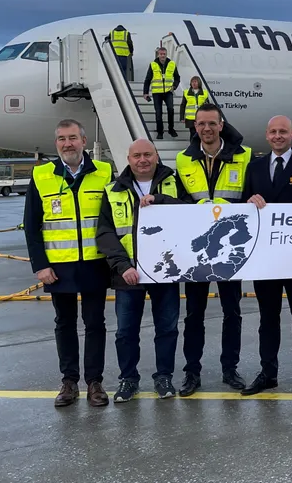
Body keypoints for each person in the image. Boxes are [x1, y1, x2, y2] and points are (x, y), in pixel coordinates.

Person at [23, 118, 114, 407]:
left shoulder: (104, 172)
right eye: (62, 139)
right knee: (64, 323)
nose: (67, 144)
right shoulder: (41, 176)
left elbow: (116, 216)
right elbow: (32, 225)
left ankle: (95, 382)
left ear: (84, 141)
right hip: (58, 267)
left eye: (73, 138)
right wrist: (40, 265)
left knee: (95, 323)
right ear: (56, 143)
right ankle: (69, 382)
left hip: (94, 263)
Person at [96, 139, 187, 402]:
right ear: (129, 158)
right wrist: (123, 266)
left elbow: (191, 214)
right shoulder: (113, 190)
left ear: (157, 156)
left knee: (167, 328)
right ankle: (128, 379)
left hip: (166, 270)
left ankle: (164, 377)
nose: (143, 160)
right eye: (137, 155)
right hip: (128, 274)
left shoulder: (174, 182)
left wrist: (160, 200)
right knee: (126, 331)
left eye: (148, 154)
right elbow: (105, 233)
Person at [240, 115, 292, 396]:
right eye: (273, 132)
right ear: (267, 135)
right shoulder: (255, 167)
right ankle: (268, 372)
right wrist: (250, 201)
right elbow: (244, 207)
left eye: (283, 132)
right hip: (266, 257)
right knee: (268, 318)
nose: (278, 136)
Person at [174, 103, 251, 395]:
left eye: (212, 123)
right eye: (201, 124)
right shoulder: (183, 159)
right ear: (195, 127)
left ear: (221, 125)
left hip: (231, 249)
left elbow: (250, 192)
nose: (206, 129)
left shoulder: (244, 157)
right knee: (194, 314)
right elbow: (178, 199)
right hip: (198, 251)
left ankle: (230, 369)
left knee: (232, 312)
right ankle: (192, 372)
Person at [143, 46, 180, 139]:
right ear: (158, 54)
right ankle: (160, 132)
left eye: (164, 54)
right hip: (157, 93)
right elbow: (148, 79)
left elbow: (177, 78)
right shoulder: (153, 64)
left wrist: (174, 86)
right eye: (161, 54)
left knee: (171, 109)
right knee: (158, 113)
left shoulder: (172, 64)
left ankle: (171, 129)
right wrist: (145, 92)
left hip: (168, 91)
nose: (162, 56)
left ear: (166, 54)